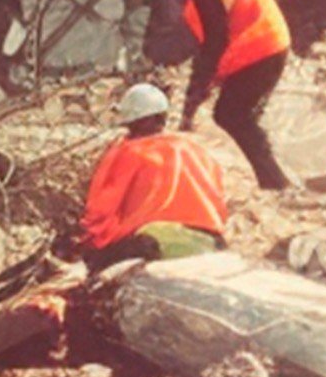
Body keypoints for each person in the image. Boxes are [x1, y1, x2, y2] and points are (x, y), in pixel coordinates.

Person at [140, 0, 292, 190]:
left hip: (260, 48)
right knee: (241, 116)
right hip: (269, 42)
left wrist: (193, 101)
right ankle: (274, 179)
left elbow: (214, 44)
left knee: (230, 114)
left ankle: (275, 182)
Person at [80, 82, 229, 267]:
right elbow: (219, 201)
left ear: (133, 121)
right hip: (211, 241)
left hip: (155, 240)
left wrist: (93, 247)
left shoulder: (128, 151)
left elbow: (100, 211)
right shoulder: (194, 149)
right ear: (163, 117)